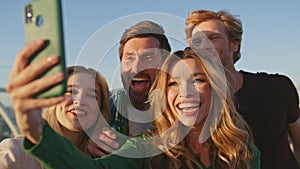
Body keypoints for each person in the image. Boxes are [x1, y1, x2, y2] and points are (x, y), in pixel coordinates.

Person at [7, 47, 260, 169]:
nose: (186, 92)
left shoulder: (243, 151)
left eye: (198, 80)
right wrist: (35, 128)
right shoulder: (148, 149)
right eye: (173, 83)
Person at [185, 9, 300, 169]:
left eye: (213, 38)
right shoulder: (191, 104)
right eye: (197, 42)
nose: (204, 46)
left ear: (234, 44)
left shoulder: (277, 87)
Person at [1, 40, 110, 169]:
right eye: (71, 91)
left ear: (100, 109)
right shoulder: (16, 153)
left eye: (92, 95)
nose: (79, 101)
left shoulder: (104, 159)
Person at [87, 20, 172, 156]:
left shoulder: (179, 108)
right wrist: (85, 141)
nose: (137, 69)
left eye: (148, 57)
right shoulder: (103, 103)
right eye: (129, 58)